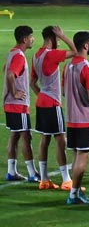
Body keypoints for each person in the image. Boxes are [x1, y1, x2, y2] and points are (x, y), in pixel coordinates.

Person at [31, 25, 76, 190]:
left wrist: (43, 95)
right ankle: (66, 180)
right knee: (60, 140)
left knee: (45, 140)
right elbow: (76, 51)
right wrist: (63, 35)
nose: (59, 42)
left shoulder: (36, 55)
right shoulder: (51, 55)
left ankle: (44, 180)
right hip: (52, 103)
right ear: (52, 38)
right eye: (57, 39)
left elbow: (32, 82)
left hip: (42, 101)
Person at [64, 31, 89, 205]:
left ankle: (75, 192)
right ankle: (74, 195)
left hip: (71, 118)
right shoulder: (88, 68)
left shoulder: (68, 66)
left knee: (76, 156)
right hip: (85, 119)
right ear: (85, 45)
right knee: (83, 158)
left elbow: (65, 92)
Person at [4, 25, 38, 182]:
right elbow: (10, 74)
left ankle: (11, 171)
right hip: (18, 105)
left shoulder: (12, 53)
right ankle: (32, 173)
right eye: (31, 37)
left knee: (15, 135)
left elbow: (5, 69)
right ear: (25, 39)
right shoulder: (19, 56)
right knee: (26, 136)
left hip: (9, 104)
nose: (33, 39)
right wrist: (14, 92)